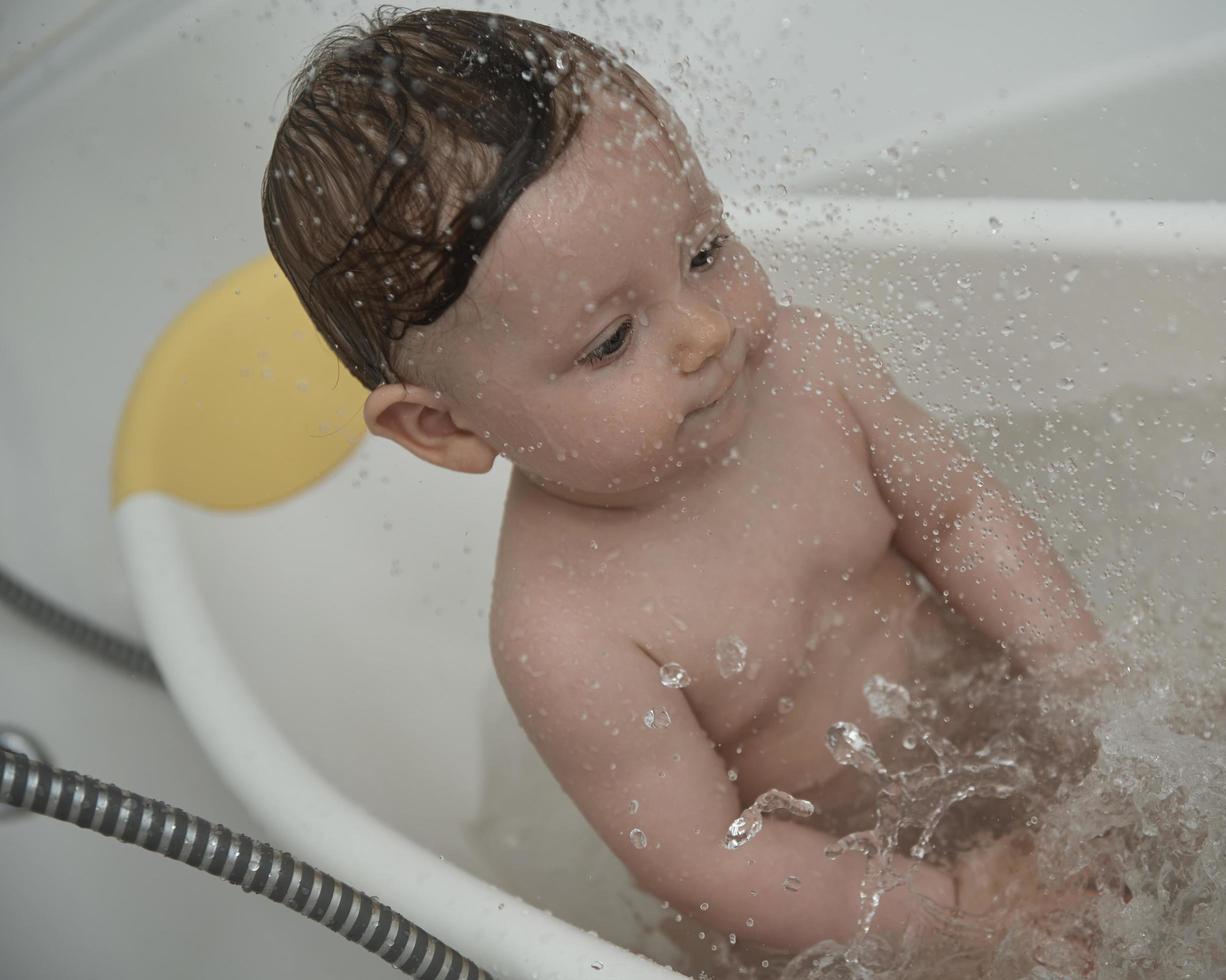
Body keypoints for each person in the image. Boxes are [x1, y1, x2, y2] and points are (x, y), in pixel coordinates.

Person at [261, 6, 1168, 963]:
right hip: (837, 896)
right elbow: (703, 862)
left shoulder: (812, 371)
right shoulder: (564, 630)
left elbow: (961, 518)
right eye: (611, 341)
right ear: (442, 426)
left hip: (1002, 739)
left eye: (704, 250)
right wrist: (953, 911)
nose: (705, 331)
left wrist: (1090, 690)